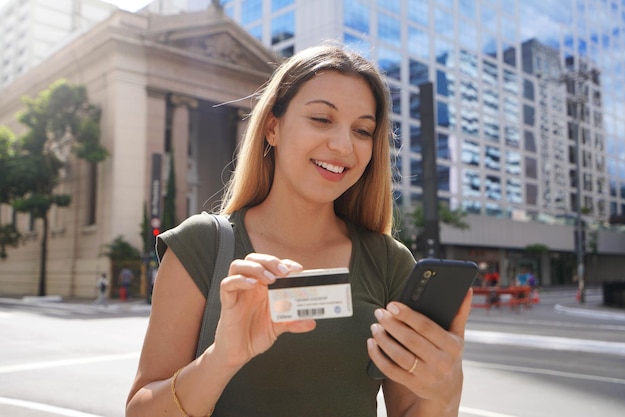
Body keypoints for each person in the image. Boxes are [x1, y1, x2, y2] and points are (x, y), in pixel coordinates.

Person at [126, 44, 472, 417]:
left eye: (362, 130)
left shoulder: (389, 261)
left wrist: (444, 389)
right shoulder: (201, 246)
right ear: (273, 127)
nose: (342, 146)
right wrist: (221, 358)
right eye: (322, 119)